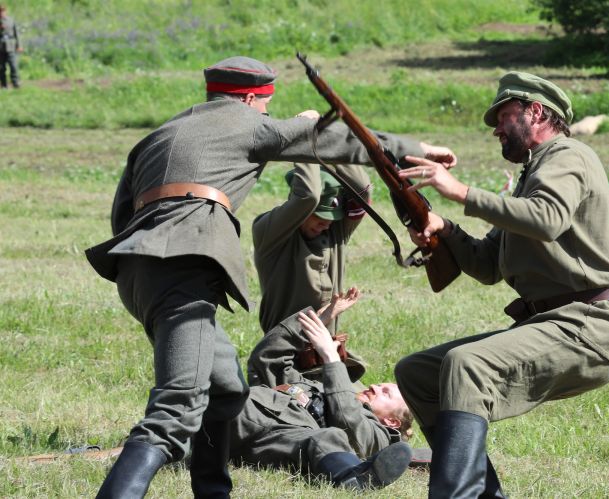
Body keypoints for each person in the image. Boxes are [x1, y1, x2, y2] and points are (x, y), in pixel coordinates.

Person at [84, 55, 456, 498]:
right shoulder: (248, 123)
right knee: (176, 409)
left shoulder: (159, 134)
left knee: (226, 390)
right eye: (264, 105)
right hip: (184, 269)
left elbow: (121, 214)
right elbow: (334, 141)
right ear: (248, 98)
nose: (265, 113)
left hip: (136, 270)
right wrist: (417, 148)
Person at [394, 71, 609, 497]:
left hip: (590, 325)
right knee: (417, 374)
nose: (496, 129)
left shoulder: (568, 155)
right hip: (557, 323)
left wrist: (462, 192)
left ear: (536, 112)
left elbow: (547, 219)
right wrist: (443, 228)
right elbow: (488, 265)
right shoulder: (531, 177)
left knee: (468, 364)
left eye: (503, 116)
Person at [227, 306, 415, 490]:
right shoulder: (320, 389)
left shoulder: (378, 437)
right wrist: (311, 323)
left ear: (392, 422)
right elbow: (268, 360)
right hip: (240, 406)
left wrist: (331, 358)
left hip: (264, 432)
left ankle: (352, 479)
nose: (374, 387)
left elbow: (347, 418)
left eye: (385, 393)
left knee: (328, 438)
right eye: (380, 385)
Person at [250, 161, 372, 382]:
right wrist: (306, 151)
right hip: (282, 359)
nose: (327, 224)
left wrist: (328, 150)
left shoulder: (335, 233)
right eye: (320, 216)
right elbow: (307, 197)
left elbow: (363, 191)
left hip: (327, 359)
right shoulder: (270, 234)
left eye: (332, 218)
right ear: (300, 212)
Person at [0, 4, 21, 89]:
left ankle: (15, 83)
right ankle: (4, 85)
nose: (2, 13)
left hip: (10, 46)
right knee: (1, 67)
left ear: (6, 12)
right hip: (1, 47)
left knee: (13, 65)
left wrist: (19, 45)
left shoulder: (11, 20)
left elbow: (17, 34)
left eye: (3, 11)